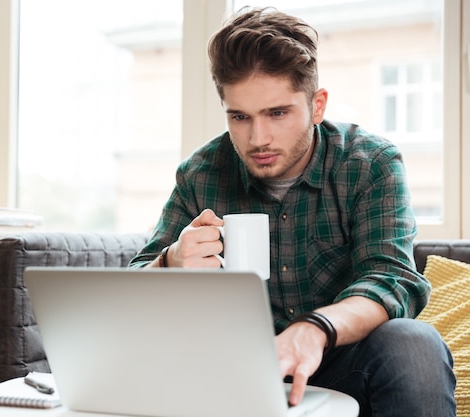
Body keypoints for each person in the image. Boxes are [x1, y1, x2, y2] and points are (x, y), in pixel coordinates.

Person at [128, 6, 456, 417]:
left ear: (317, 106)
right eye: (240, 117)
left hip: (339, 362)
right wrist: (170, 263)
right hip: (229, 372)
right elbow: (132, 286)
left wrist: (314, 328)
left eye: (277, 113)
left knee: (413, 342)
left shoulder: (370, 163)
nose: (257, 138)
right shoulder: (202, 173)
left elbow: (391, 279)